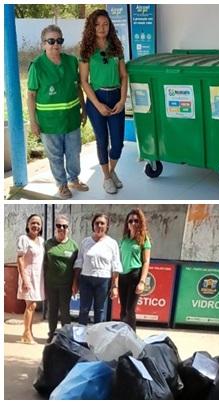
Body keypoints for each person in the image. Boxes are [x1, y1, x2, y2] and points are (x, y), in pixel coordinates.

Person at [27, 25, 88, 199]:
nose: (55, 45)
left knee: (74, 152)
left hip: (71, 119)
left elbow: (77, 88)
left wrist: (83, 109)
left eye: (59, 40)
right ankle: (62, 185)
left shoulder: (71, 61)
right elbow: (31, 96)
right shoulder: (37, 67)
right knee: (55, 156)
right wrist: (33, 121)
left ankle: (74, 179)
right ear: (43, 44)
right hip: (49, 123)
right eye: (51, 41)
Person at [79, 9, 128, 194]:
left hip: (116, 97)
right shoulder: (86, 50)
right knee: (102, 140)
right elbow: (84, 80)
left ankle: (111, 172)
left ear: (110, 26)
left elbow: (124, 76)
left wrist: (122, 100)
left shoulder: (116, 47)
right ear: (92, 26)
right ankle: (107, 178)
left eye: (105, 24)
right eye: (98, 24)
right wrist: (98, 105)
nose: (102, 28)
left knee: (118, 143)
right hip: (96, 99)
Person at [74, 213, 122, 325]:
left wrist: (115, 286)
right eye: (97, 223)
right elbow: (79, 263)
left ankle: (97, 339)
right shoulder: (85, 242)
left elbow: (116, 265)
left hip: (103, 281)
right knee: (84, 309)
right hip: (86, 279)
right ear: (93, 225)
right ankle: (81, 337)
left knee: (99, 310)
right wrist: (75, 282)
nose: (99, 225)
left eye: (102, 223)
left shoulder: (112, 243)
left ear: (107, 227)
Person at [43, 214, 78, 342]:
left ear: (68, 228)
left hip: (66, 285)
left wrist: (75, 283)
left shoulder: (73, 246)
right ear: (55, 227)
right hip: (51, 284)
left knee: (65, 311)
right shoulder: (47, 244)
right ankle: (51, 334)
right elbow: (44, 264)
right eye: (59, 225)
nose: (61, 228)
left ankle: (66, 336)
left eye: (64, 226)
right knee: (52, 310)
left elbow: (76, 268)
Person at [118, 209, 151, 330]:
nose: (133, 223)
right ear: (127, 223)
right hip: (122, 277)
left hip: (134, 276)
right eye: (130, 221)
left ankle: (132, 338)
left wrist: (142, 282)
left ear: (140, 222)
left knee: (129, 310)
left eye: (136, 221)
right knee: (122, 310)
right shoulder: (124, 239)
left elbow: (146, 261)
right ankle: (123, 337)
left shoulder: (144, 239)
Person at [16, 214, 45, 344]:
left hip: (38, 278)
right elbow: (20, 259)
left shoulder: (41, 241)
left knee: (33, 305)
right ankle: (27, 334)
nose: (35, 226)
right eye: (33, 223)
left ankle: (27, 332)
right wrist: (24, 279)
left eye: (38, 223)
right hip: (28, 276)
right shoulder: (24, 239)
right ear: (28, 225)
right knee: (31, 305)